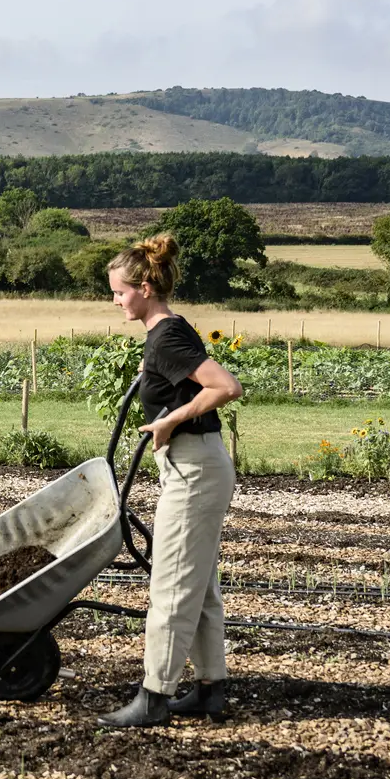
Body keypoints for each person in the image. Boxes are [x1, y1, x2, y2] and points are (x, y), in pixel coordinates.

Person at [97, 234, 244, 729]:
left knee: (171, 585)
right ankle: (209, 689)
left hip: (194, 467)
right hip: (195, 465)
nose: (115, 301)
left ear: (143, 287)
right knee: (198, 585)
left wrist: (170, 420)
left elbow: (226, 387)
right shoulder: (166, 334)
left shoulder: (168, 336)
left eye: (119, 292)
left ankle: (154, 697)